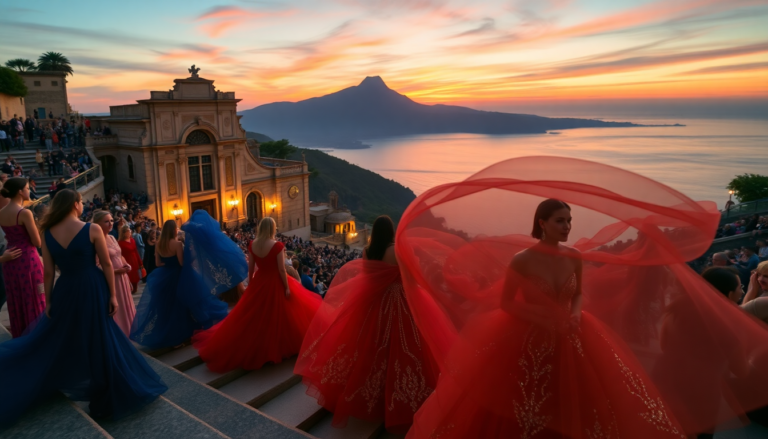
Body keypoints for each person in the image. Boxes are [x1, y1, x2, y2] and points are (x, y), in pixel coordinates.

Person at [395, 157, 768, 439]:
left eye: (569, 221)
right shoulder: (522, 260)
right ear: (542, 223)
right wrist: (546, 321)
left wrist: (573, 314)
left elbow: (579, 293)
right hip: (527, 334)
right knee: (523, 399)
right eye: (560, 221)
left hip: (574, 331)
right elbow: (508, 304)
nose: (568, 227)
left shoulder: (574, 257)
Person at [0, 189, 167, 428]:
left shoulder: (47, 232)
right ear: (76, 205)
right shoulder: (92, 229)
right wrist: (112, 295)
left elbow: (48, 272)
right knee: (100, 336)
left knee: (69, 336)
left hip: (66, 289)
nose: (81, 206)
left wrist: (49, 301)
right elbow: (107, 263)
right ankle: (107, 387)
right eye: (80, 203)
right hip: (92, 287)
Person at [296, 215, 440, 433]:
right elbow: (411, 278)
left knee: (367, 347)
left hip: (372, 304)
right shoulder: (397, 250)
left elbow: (368, 277)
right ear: (391, 231)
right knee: (402, 349)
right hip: (398, 302)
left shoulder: (367, 251)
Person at [192, 217, 322, 373]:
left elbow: (251, 268)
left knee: (258, 316)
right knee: (280, 314)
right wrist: (286, 287)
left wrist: (252, 283)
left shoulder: (253, 244)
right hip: (275, 281)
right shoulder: (277, 246)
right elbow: (281, 269)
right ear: (272, 229)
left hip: (260, 281)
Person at [131, 211, 245, 350]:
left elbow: (158, 263)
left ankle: (168, 334)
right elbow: (181, 263)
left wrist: (168, 265)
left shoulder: (159, 244)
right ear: (173, 230)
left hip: (164, 275)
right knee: (182, 305)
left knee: (166, 307)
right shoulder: (177, 244)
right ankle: (182, 334)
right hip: (178, 276)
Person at [0, 178, 45, 337]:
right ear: (20, 191)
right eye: (27, 188)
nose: (29, 190)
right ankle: (38, 336)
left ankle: (22, 335)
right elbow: (37, 242)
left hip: (11, 261)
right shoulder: (24, 212)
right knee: (35, 296)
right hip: (27, 259)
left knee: (16, 299)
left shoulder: (1, 213)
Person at [92, 211, 136, 336]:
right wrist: (117, 271)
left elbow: (119, 255)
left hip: (122, 278)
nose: (110, 223)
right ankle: (120, 336)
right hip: (111, 280)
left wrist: (126, 265)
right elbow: (97, 265)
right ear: (97, 224)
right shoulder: (96, 241)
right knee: (118, 310)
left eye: (111, 220)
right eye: (106, 221)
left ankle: (130, 335)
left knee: (127, 307)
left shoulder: (111, 237)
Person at [117, 225, 142, 294]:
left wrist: (140, 262)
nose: (129, 233)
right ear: (124, 233)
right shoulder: (120, 243)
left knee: (135, 275)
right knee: (129, 276)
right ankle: (129, 289)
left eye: (130, 231)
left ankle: (134, 288)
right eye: (128, 231)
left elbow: (136, 251)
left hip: (134, 260)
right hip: (127, 260)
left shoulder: (132, 240)